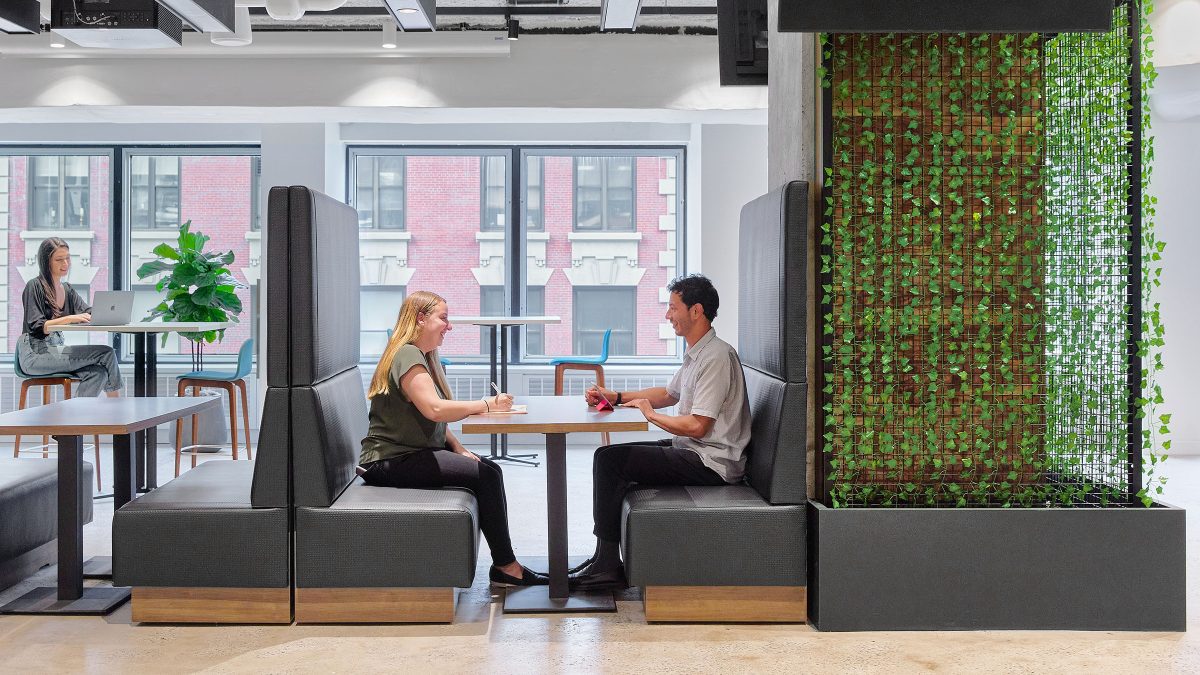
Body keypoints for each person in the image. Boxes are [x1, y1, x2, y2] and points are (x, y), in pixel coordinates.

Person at [571, 274, 751, 589]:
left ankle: (606, 565)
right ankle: (604, 558)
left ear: (696, 311)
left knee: (610, 462)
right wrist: (614, 397)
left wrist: (650, 415)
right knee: (608, 456)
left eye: (673, 308)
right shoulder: (699, 353)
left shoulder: (717, 357)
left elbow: (697, 424)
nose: (668, 316)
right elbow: (669, 394)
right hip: (695, 448)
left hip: (711, 463)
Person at [358, 290, 547, 587]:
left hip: (407, 455)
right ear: (420, 319)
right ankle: (506, 569)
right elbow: (434, 409)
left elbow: (429, 416)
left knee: (490, 470)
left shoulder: (421, 357)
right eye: (443, 318)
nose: (450, 326)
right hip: (388, 461)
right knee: (486, 475)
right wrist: (486, 404)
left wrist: (458, 447)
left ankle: (505, 566)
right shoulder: (407, 354)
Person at [17, 237, 122, 398]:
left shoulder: (67, 289)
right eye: (59, 260)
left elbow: (87, 312)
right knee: (106, 352)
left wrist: (108, 311)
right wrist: (69, 318)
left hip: (57, 350)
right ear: (46, 262)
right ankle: (119, 412)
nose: (65, 264)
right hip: (35, 354)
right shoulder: (34, 286)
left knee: (98, 373)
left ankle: (76, 420)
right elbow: (37, 326)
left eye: (67, 258)